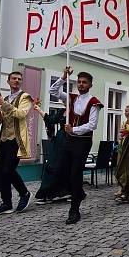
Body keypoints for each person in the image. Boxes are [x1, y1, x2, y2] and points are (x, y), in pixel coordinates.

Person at [48, 66, 103, 225]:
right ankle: (79, 192)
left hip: (83, 141)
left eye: (84, 82)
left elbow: (92, 125)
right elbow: (53, 91)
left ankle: (74, 210)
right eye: (79, 82)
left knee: (75, 173)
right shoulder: (71, 98)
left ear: (90, 84)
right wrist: (63, 76)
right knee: (60, 170)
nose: (81, 84)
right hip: (69, 140)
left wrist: (74, 129)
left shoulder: (94, 103)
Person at [0, 70, 33, 216]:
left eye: (19, 79)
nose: (16, 81)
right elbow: (6, 118)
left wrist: (4, 104)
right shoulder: (6, 97)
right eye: (13, 78)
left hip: (16, 139)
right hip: (4, 138)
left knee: (8, 170)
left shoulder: (25, 97)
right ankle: (6, 203)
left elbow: (21, 114)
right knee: (3, 172)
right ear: (8, 81)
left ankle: (24, 193)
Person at [34, 103, 70, 201]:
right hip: (59, 141)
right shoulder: (62, 111)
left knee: (64, 167)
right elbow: (50, 119)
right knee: (52, 165)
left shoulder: (77, 111)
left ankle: (65, 192)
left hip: (70, 140)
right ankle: (47, 193)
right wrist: (38, 109)